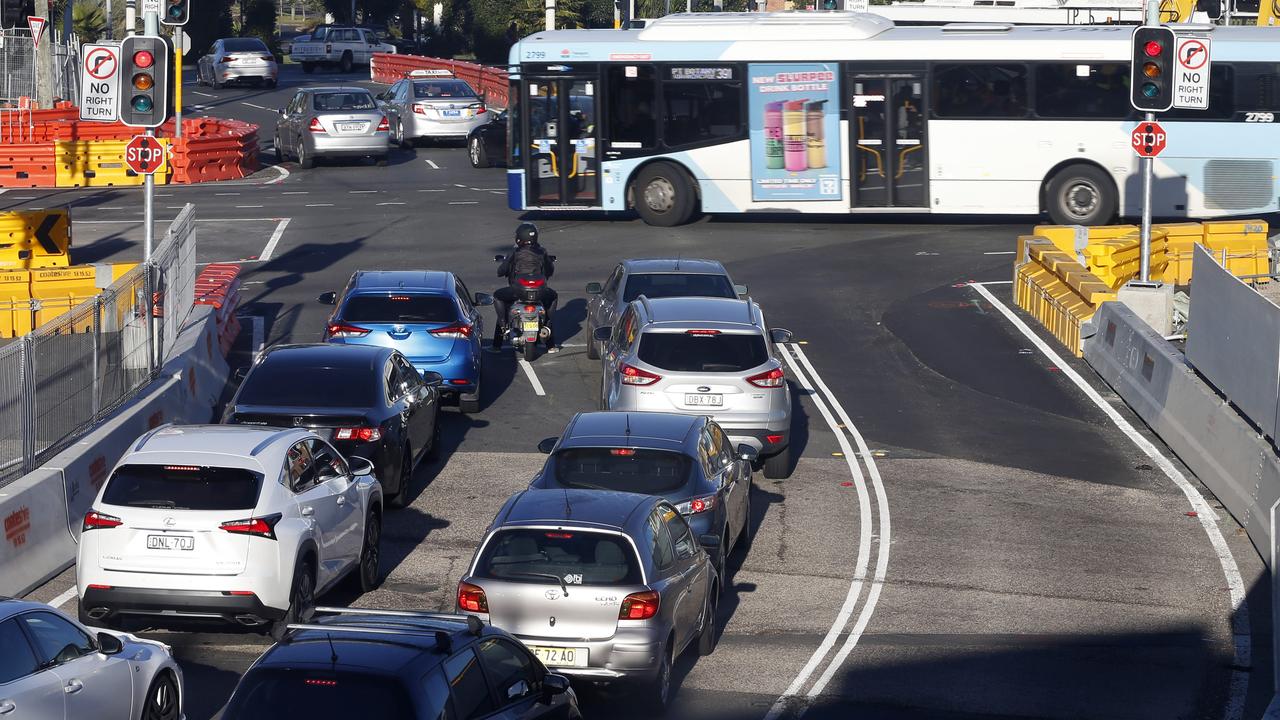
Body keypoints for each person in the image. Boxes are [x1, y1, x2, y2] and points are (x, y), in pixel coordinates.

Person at [491, 222, 559, 353]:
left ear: (519, 238)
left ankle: (498, 341)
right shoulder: (542, 252)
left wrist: (505, 268)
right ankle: (550, 342)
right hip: (540, 293)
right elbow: (550, 270)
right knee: (553, 297)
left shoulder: (515, 252)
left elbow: (501, 270)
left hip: (518, 292)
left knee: (498, 297)